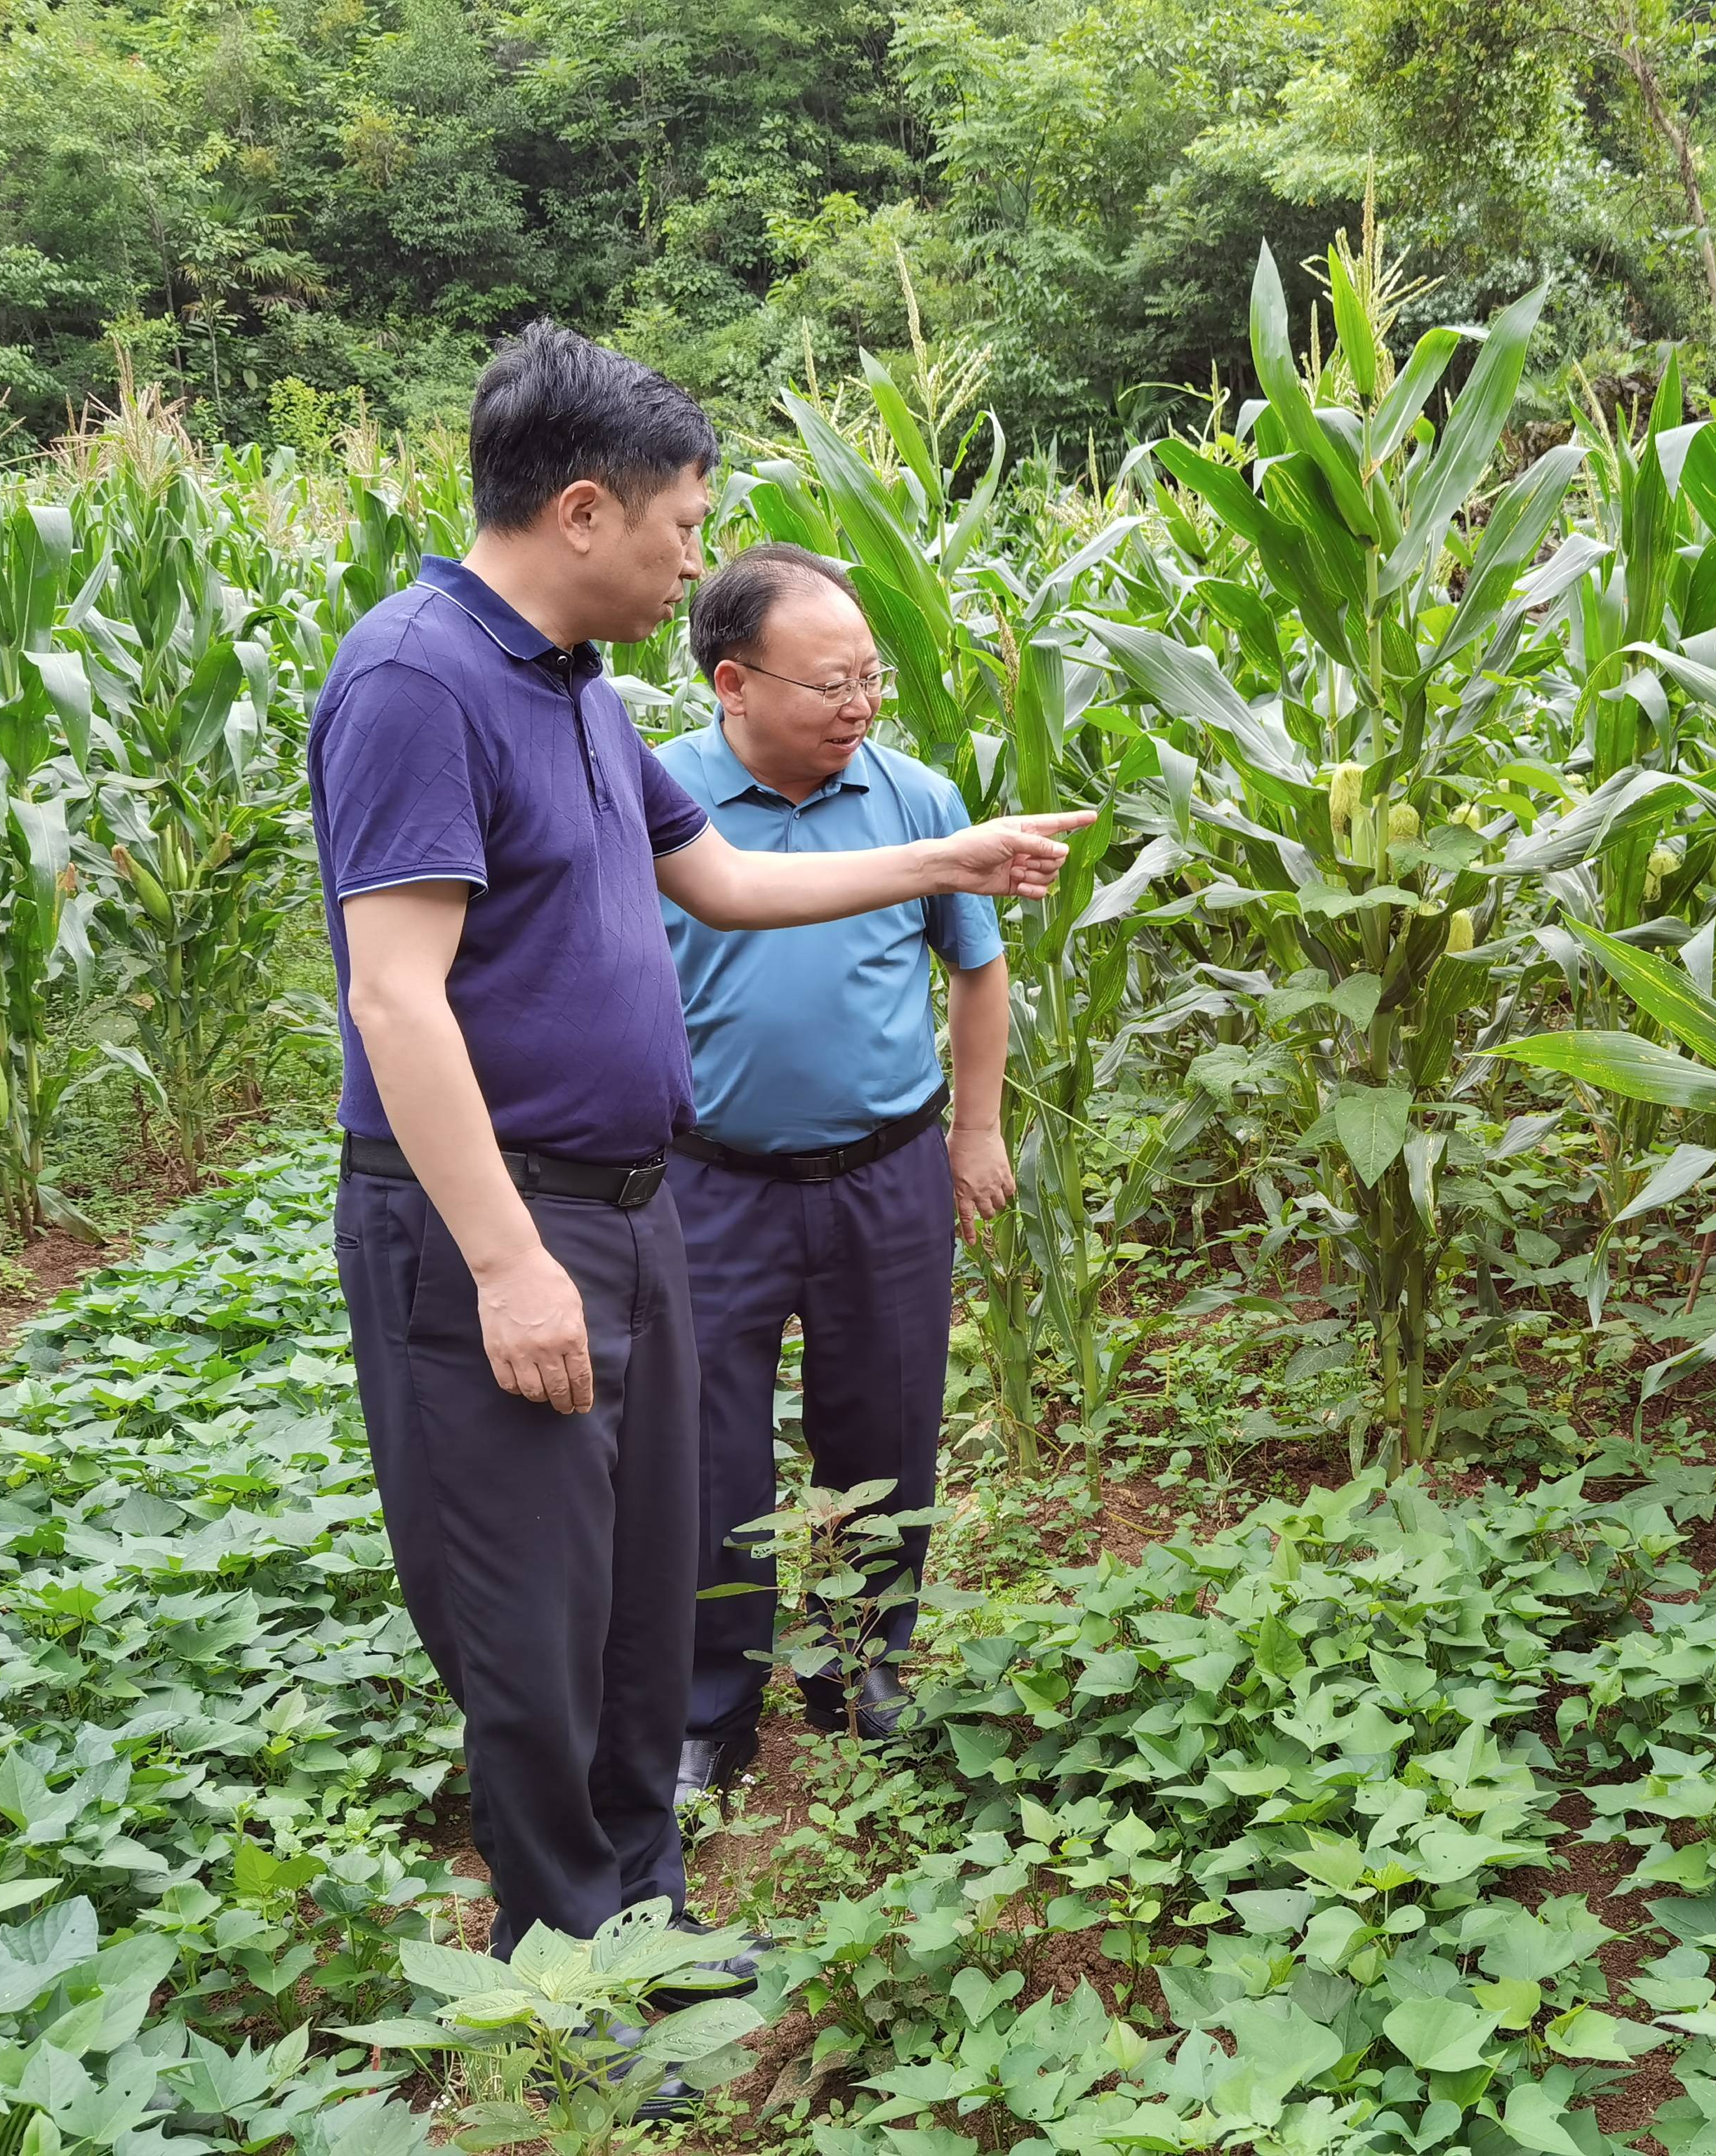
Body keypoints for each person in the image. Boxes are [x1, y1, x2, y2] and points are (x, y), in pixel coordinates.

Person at [308, 323, 1089, 1963]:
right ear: (584, 510)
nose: (691, 561)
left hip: (634, 1204)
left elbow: (725, 884)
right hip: (501, 1224)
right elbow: (396, 999)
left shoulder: (578, 694)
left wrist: (942, 854)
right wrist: (510, 1264)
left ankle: (643, 1919)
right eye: (683, 525)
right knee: (534, 1621)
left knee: (640, 1585)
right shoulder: (414, 680)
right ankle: (572, 1961)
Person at [656, 545, 1015, 1806]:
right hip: (709, 1183)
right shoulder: (658, 803)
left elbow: (977, 967)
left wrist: (976, 1131)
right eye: (830, 684)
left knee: (889, 1425)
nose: (859, 705)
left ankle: (864, 1664)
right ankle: (711, 1702)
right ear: (732, 683)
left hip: (887, 1174)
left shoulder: (915, 795)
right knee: (706, 1453)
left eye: (871, 678)